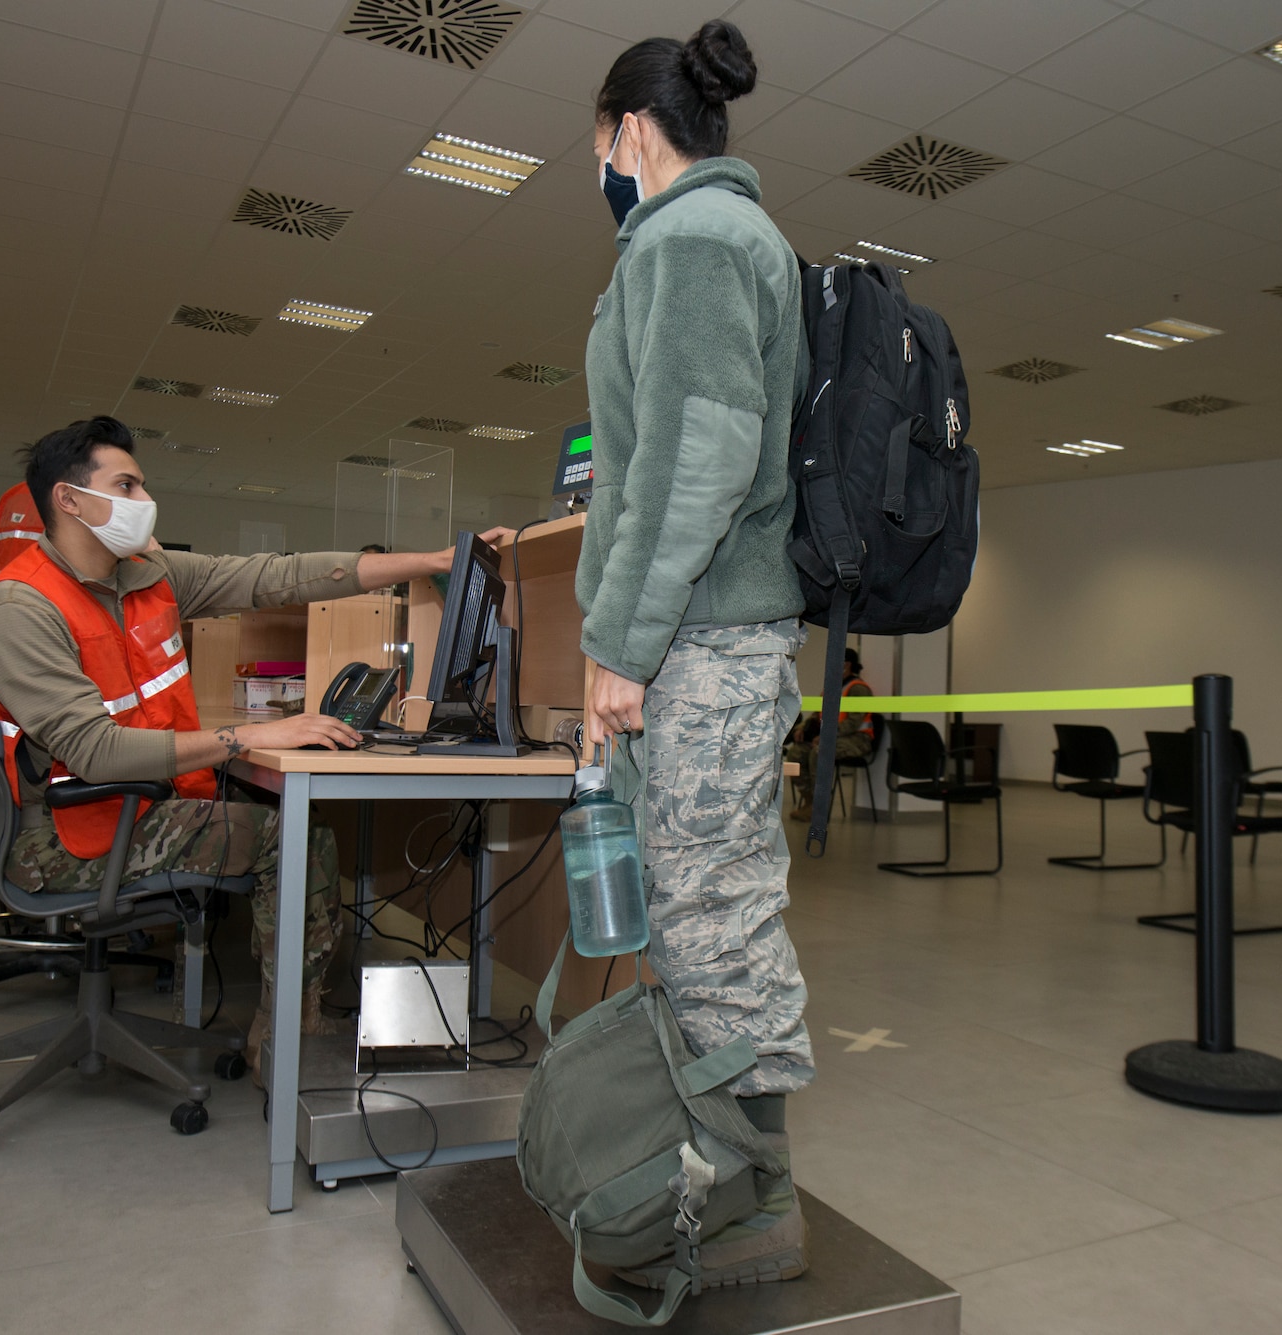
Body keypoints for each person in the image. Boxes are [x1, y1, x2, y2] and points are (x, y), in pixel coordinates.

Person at [0, 415, 509, 1073]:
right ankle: (287, 1042)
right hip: (62, 835)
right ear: (69, 499)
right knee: (295, 837)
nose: (144, 503)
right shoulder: (20, 608)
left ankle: (288, 1018)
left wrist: (429, 561)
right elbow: (98, 751)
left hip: (131, 805)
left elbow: (273, 577)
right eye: (126, 485)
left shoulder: (144, 576)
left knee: (282, 816)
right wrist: (247, 736)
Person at [576, 19, 811, 1287]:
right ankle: (714, 1171)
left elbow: (700, 460)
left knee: (715, 923)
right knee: (689, 914)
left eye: (597, 141)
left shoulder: (700, 239)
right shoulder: (688, 243)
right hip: (696, 638)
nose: (598, 161)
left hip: (706, 641)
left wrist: (620, 643)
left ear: (628, 129)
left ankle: (759, 1204)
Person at [785, 649, 875, 822]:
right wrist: (802, 728)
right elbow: (816, 714)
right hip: (831, 738)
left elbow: (853, 723)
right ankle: (810, 801)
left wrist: (827, 736)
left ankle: (819, 807)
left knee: (819, 753)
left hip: (857, 739)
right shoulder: (832, 687)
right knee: (795, 754)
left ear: (847, 665)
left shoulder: (858, 689)